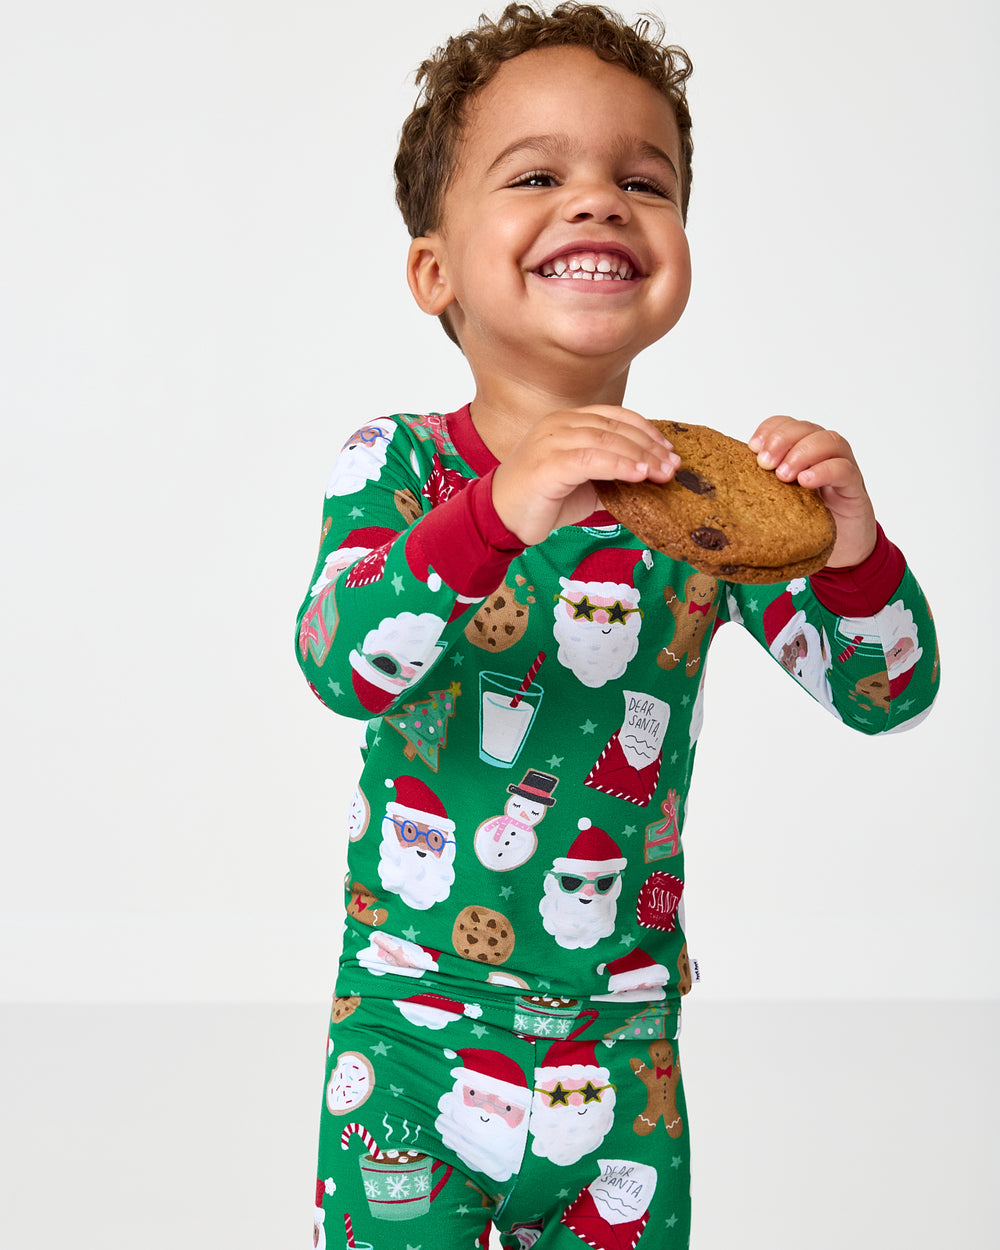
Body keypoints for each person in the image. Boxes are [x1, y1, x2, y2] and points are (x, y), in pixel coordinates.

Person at [296, 5, 939, 1247]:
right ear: (435, 269)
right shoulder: (399, 469)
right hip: (410, 1034)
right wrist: (500, 509)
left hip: (623, 1042)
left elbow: (881, 690)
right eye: (537, 174)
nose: (596, 200)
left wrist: (851, 549)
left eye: (642, 180)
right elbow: (342, 659)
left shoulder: (699, 510)